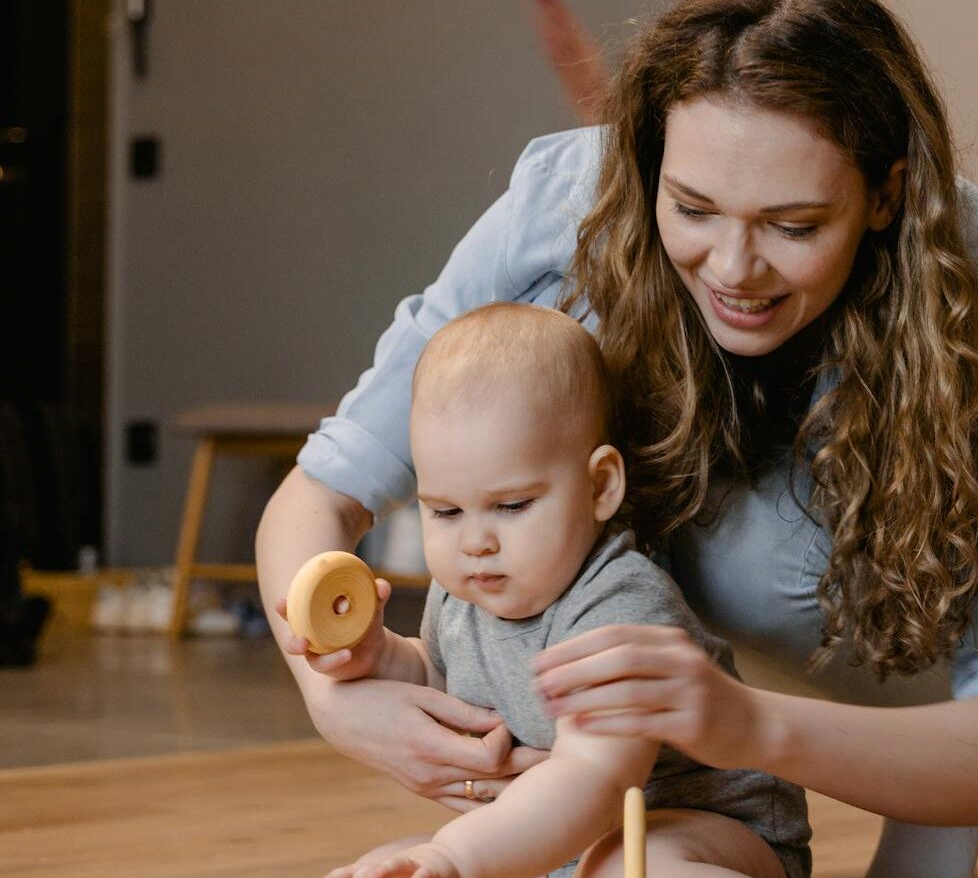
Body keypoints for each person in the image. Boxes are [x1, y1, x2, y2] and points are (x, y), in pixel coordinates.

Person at [258, 0, 978, 878]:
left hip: (858, 672)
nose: (735, 268)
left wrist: (739, 720)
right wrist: (332, 689)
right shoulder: (562, 210)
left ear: (886, 194)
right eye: (693, 209)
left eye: (793, 226)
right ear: (647, 169)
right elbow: (320, 495)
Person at [293, 302, 809, 878]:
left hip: (697, 824)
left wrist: (456, 856)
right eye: (444, 511)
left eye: (511, 506)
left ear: (600, 486)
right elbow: (446, 689)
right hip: (552, 835)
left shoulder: (621, 608)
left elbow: (597, 776)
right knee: (386, 865)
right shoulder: (463, 598)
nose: (475, 542)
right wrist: (380, 656)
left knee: (618, 867)